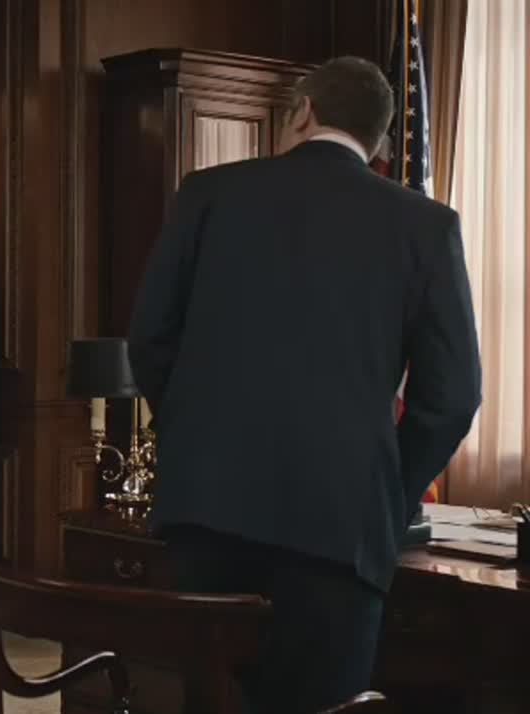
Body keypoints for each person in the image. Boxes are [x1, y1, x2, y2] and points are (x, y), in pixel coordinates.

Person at [127, 56, 481, 713]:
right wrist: (386, 494)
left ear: (304, 113)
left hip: (207, 512)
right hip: (340, 530)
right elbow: (452, 397)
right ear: (378, 139)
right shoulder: (427, 226)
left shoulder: (208, 194)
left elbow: (149, 340)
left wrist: (195, 439)